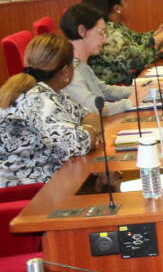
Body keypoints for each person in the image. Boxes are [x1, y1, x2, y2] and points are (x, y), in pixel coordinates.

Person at [0, 34, 99, 187]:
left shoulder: (52, 93)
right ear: (66, 70)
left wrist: (87, 128)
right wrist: (90, 130)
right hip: (26, 188)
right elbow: (78, 143)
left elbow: (90, 114)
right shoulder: (39, 99)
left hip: (44, 180)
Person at [83, 0, 163, 84]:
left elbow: (136, 39)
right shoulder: (107, 33)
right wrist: (157, 39)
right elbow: (134, 62)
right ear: (117, 8)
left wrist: (158, 33)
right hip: (118, 88)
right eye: (124, 2)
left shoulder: (116, 26)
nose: (126, 6)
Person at [60, 4, 138, 117]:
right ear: (82, 31)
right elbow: (95, 109)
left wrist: (141, 90)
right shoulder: (69, 71)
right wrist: (129, 103)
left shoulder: (81, 64)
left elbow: (105, 91)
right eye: (101, 33)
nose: (105, 40)